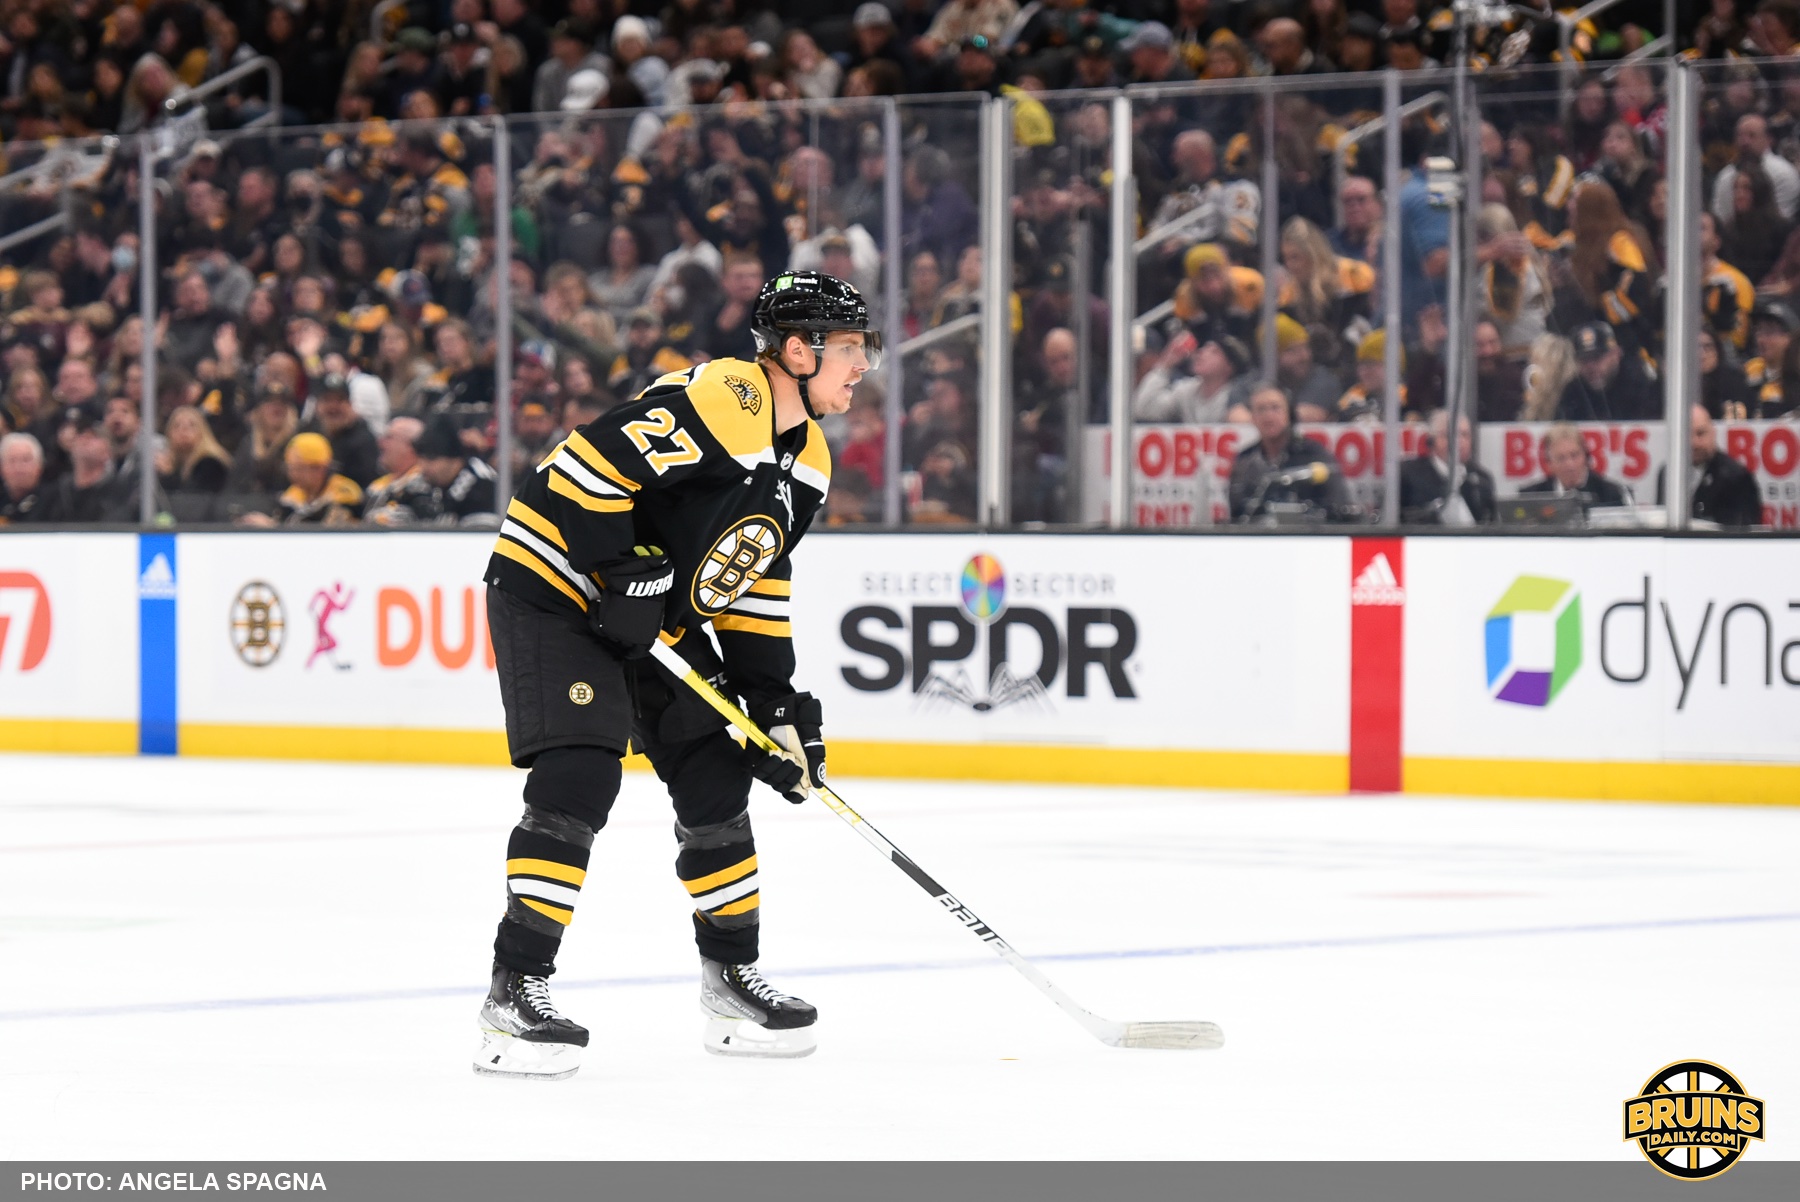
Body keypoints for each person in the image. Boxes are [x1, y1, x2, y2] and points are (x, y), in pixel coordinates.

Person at [474, 271, 877, 1079]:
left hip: (653, 615)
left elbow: (753, 581)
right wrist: (618, 571)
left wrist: (774, 706)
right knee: (582, 771)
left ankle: (731, 981)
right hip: (555, 589)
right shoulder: (728, 397)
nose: (862, 364)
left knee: (716, 770)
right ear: (797, 352)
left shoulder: (809, 462)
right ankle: (514, 990)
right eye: (847, 347)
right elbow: (586, 468)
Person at [1227, 385, 1351, 521]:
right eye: (1261, 409)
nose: (1268, 415)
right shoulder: (1244, 460)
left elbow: (1336, 504)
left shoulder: (1314, 455)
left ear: (1289, 413)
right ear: (1252, 417)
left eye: (1275, 408)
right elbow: (1237, 513)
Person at [1656, 405, 1764, 529]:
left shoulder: (1736, 478)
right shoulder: (1668, 473)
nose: (1694, 443)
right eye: (1687, 435)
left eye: (1700, 433)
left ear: (1713, 433)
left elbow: (1742, 531)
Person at [1399, 409, 1495, 524]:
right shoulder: (1408, 475)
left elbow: (1491, 523)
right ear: (1431, 440)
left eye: (1465, 435)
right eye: (1449, 435)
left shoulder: (1481, 479)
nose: (1459, 442)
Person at [1556, 323, 1658, 421]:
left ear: (1617, 354)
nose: (1590, 366)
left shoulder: (1641, 387)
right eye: (1583, 359)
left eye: (1597, 357)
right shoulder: (1572, 394)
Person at [1520, 423, 1630, 510]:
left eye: (1574, 455)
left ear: (1586, 456)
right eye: (1561, 458)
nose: (1570, 464)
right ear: (1549, 464)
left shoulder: (1613, 494)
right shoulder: (1530, 498)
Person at [0, 432, 46, 523]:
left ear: (39, 466)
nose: (19, 468)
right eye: (12, 461)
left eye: (26, 460)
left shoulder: (56, 502)